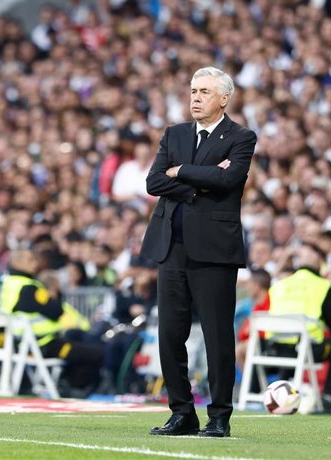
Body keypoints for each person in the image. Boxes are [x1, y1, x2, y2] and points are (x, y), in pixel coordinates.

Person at [141, 67, 257, 437]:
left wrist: (180, 172)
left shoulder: (241, 137)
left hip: (213, 252)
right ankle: (182, 413)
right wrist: (193, 181)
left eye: (204, 92)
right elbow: (154, 181)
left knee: (217, 336)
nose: (195, 97)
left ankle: (219, 417)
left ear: (224, 98)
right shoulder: (174, 133)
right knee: (170, 335)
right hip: (171, 247)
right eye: (193, 90)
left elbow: (228, 179)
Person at [0, 248, 104, 397]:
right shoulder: (29, 287)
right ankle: (73, 389)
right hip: (43, 344)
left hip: (20, 344)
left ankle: (66, 384)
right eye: (30, 260)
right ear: (17, 262)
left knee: (78, 345)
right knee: (96, 354)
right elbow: (56, 310)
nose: (35, 263)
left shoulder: (9, 284)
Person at [267, 243, 331, 414]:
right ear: (321, 264)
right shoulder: (321, 286)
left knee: (291, 338)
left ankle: (282, 387)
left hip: (274, 348)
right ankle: (330, 398)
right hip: (306, 350)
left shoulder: (280, 284)